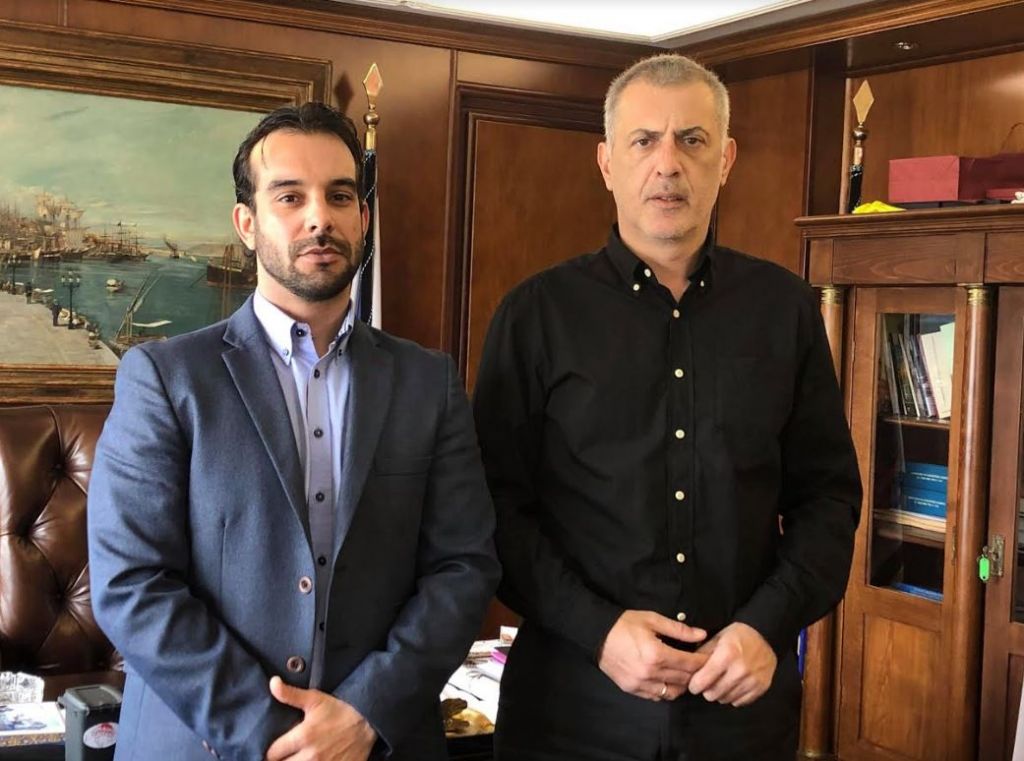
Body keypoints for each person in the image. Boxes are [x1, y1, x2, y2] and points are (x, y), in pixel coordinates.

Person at [473, 54, 862, 761]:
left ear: (726, 159)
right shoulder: (535, 315)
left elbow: (828, 500)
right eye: (644, 140)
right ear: (607, 163)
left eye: (692, 140)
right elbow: (494, 507)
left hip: (740, 708)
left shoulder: (785, 311)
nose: (668, 163)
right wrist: (598, 629)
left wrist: (768, 626)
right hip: (570, 707)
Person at [88, 102, 500, 761]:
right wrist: (278, 736)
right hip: (205, 743)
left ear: (364, 218)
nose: (319, 218)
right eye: (289, 196)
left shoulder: (429, 382)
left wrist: (364, 713)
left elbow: (464, 565)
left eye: (340, 196)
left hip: (380, 740)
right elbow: (131, 583)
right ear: (247, 224)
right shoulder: (165, 378)